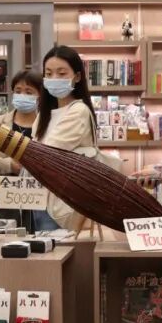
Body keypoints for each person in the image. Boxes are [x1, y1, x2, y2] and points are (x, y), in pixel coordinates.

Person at [32, 45, 98, 231]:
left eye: (61, 73)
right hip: (42, 199)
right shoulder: (44, 114)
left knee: (59, 247)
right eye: (49, 73)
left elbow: (47, 152)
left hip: (65, 204)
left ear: (77, 76)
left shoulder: (78, 111)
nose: (54, 79)